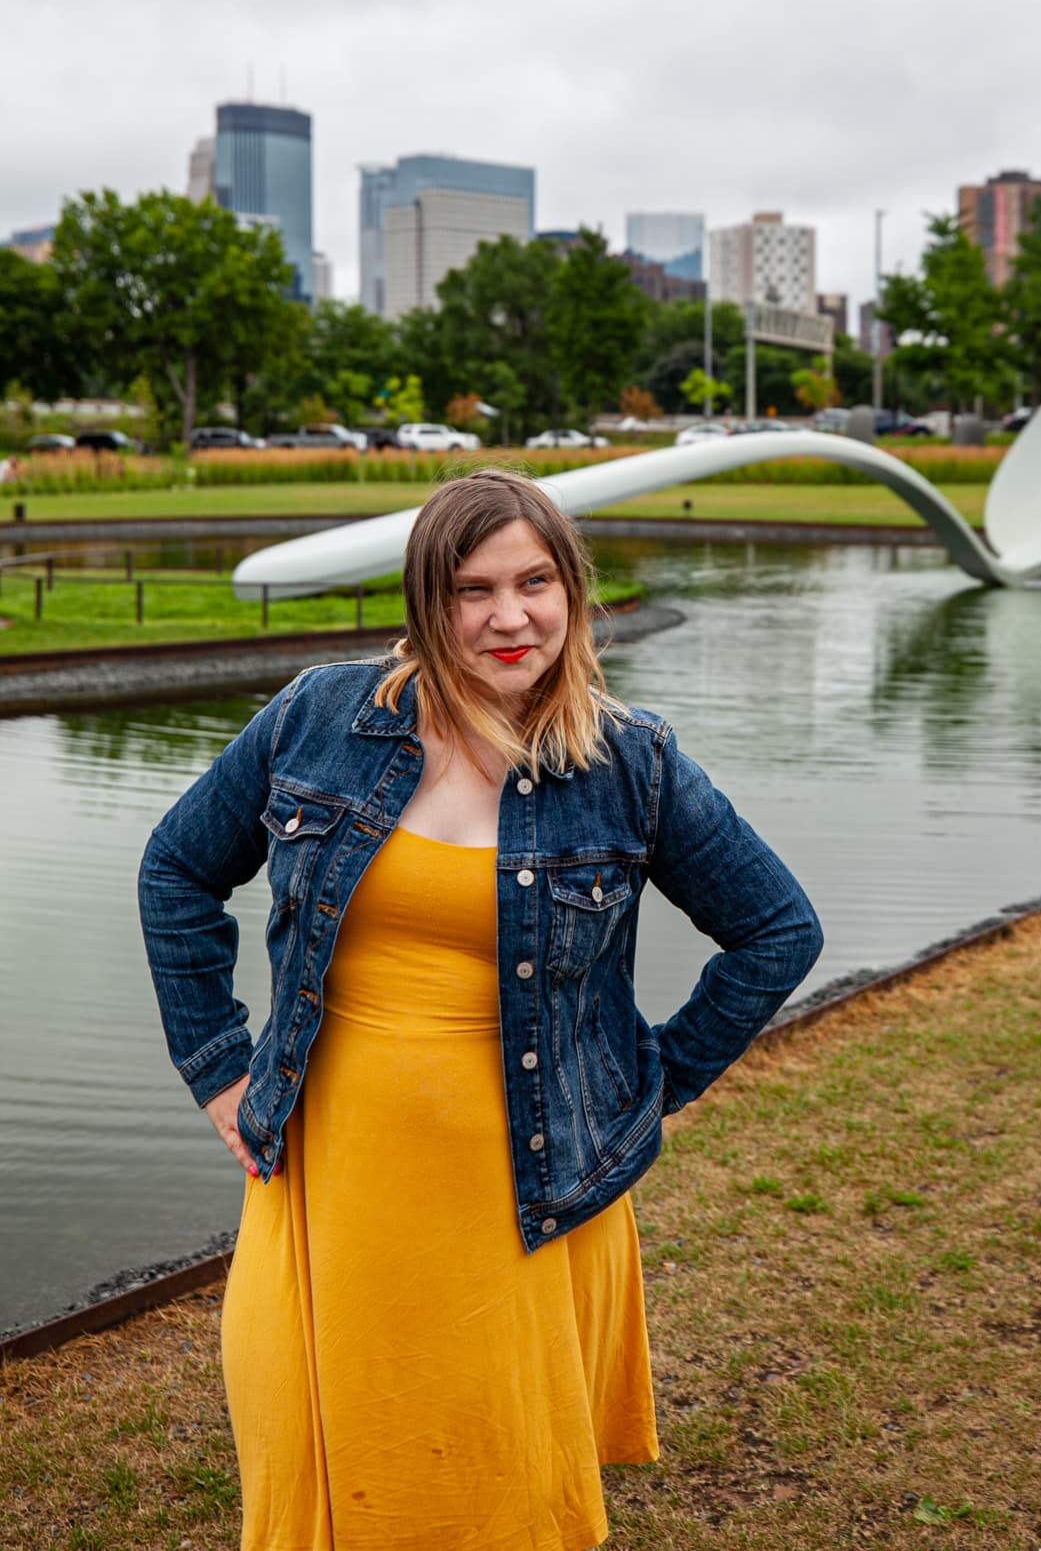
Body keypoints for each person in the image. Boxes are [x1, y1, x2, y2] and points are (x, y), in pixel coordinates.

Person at [139, 468, 824, 1551]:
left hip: (523, 1182)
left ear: (571, 592)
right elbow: (177, 867)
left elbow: (777, 931)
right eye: (473, 590)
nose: (510, 618)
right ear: (426, 603)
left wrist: (647, 1083)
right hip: (333, 1165)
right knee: (316, 1444)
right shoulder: (320, 717)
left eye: (535, 582)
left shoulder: (626, 759)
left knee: (489, 1478)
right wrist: (218, 1066)